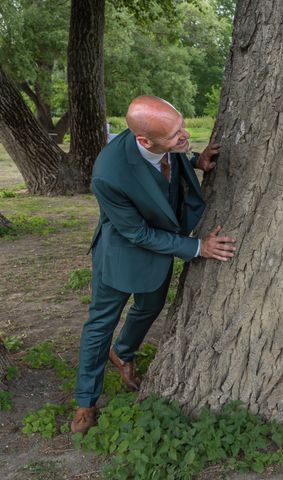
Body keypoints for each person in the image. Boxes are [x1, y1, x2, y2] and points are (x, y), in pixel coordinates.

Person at [71, 96, 237, 434]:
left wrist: (194, 161)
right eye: (176, 135)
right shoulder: (108, 174)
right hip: (121, 253)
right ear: (143, 140)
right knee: (100, 323)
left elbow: (168, 162)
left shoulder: (163, 142)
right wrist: (197, 247)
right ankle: (85, 400)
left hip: (159, 249)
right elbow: (137, 232)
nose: (185, 135)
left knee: (150, 305)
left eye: (181, 127)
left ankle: (124, 352)